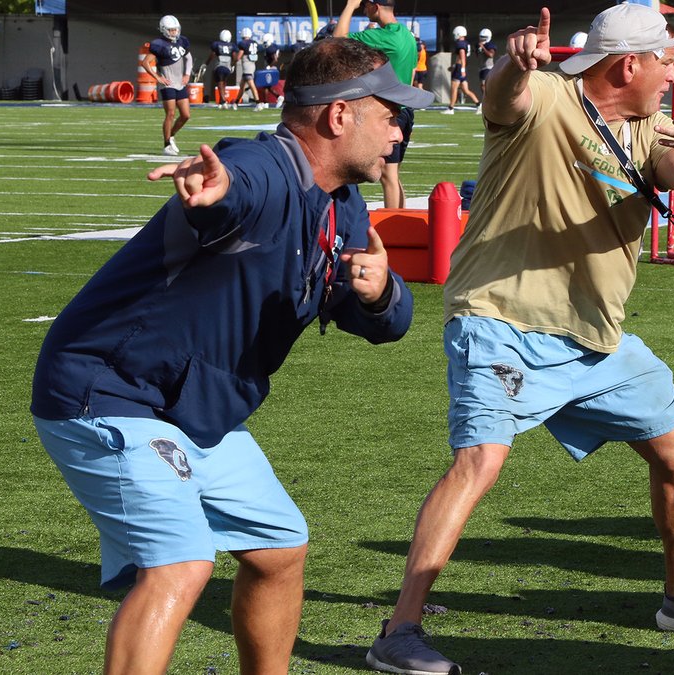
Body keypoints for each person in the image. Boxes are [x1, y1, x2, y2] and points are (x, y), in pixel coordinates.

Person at [366, 6, 674, 674]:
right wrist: (514, 65)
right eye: (663, 58)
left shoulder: (649, 129)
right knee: (478, 462)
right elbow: (505, 98)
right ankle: (399, 630)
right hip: (500, 320)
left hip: (593, 339)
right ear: (629, 64)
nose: (670, 71)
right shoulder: (545, 94)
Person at [31, 38, 433, 675]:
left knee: (279, 547)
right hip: (108, 391)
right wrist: (217, 186)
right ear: (338, 116)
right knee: (181, 564)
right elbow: (238, 183)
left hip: (194, 409)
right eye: (392, 115)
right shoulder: (262, 169)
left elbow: (383, 325)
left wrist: (382, 294)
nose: (401, 131)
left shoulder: (342, 203)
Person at [333, 0, 418, 209]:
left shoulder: (385, 36)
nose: (363, 9)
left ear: (375, 6)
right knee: (393, 175)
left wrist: (350, 7)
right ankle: (401, 218)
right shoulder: (406, 35)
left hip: (391, 113)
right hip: (406, 110)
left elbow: (338, 40)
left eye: (365, 5)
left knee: (387, 175)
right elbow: (413, 70)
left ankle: (394, 229)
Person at [146, 15, 192, 156]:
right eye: (171, 30)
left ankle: (171, 135)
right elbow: (146, 63)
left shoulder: (182, 41)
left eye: (175, 30)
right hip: (168, 84)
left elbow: (188, 58)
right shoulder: (159, 44)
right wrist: (158, 77)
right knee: (170, 114)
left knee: (185, 115)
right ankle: (166, 145)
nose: (174, 33)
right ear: (164, 30)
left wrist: (187, 74)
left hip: (180, 83)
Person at [444, 25, 481, 114]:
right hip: (460, 67)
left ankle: (451, 108)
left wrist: (461, 69)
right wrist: (455, 66)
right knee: (465, 90)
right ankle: (479, 104)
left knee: (454, 88)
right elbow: (461, 57)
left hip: (460, 68)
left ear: (458, 33)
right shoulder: (465, 43)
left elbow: (462, 56)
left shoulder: (460, 44)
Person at [206, 29, 235, 110]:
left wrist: (206, 63)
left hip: (219, 66)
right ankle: (221, 101)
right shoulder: (232, 45)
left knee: (220, 83)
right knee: (223, 83)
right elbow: (234, 56)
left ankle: (223, 101)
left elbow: (212, 54)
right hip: (227, 67)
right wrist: (232, 65)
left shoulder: (216, 44)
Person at [235, 27, 262, 111]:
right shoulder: (254, 43)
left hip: (247, 65)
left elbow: (239, 56)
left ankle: (258, 103)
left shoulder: (243, 43)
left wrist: (233, 63)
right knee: (242, 86)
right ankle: (235, 103)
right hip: (252, 64)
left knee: (251, 84)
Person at [259, 33, 284, 110]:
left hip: (271, 68)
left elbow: (275, 59)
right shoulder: (272, 47)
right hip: (271, 67)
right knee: (267, 86)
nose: (264, 44)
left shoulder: (271, 48)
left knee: (265, 85)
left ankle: (267, 102)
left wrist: (269, 66)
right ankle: (278, 97)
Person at [476, 28, 497, 105]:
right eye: (481, 37)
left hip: (488, 67)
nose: (481, 39)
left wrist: (483, 48)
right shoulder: (479, 45)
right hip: (481, 67)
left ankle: (488, 101)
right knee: (482, 86)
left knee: (484, 85)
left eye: (483, 37)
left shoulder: (490, 45)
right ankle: (487, 100)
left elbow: (491, 55)